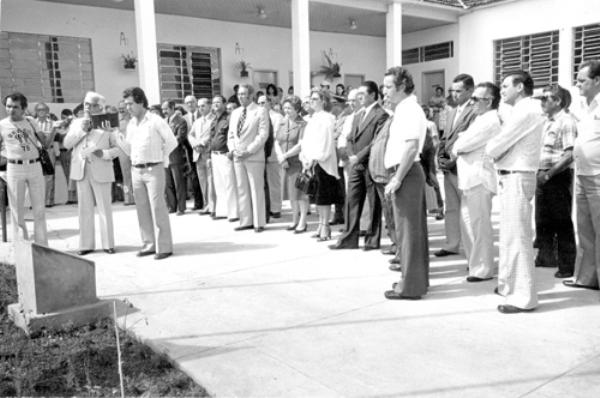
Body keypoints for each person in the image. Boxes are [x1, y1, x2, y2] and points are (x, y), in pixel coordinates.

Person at [486, 71, 545, 313]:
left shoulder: (527, 110)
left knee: (518, 238)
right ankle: (508, 286)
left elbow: (496, 145)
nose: (502, 90)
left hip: (517, 175)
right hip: (511, 175)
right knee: (509, 236)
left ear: (520, 87)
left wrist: (494, 149)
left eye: (506, 85)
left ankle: (524, 297)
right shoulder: (520, 110)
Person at [382, 67, 429, 300]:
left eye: (389, 87)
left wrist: (397, 178)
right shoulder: (404, 108)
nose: (385, 91)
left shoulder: (409, 109)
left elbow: (411, 147)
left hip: (407, 172)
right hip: (406, 172)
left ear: (402, 87)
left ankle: (410, 287)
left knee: (408, 232)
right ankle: (416, 281)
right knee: (412, 232)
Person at [118, 87, 177, 260]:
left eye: (130, 104)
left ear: (141, 102)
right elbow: (129, 149)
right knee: (142, 209)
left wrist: (162, 157)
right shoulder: (130, 124)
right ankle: (149, 244)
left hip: (154, 169)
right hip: (136, 170)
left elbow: (171, 141)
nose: (127, 108)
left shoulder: (155, 120)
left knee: (158, 208)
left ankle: (164, 246)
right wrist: (117, 138)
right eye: (126, 104)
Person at [451, 82, 501, 282]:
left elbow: (462, 144)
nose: (471, 102)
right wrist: (459, 145)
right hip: (470, 179)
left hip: (479, 178)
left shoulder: (490, 120)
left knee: (479, 226)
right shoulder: (480, 119)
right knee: (469, 224)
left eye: (476, 99)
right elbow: (460, 144)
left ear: (488, 101)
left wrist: (459, 146)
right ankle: (475, 263)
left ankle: (483, 268)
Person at [330, 81, 387, 250]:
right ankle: (349, 238)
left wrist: (358, 157)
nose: (358, 97)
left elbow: (376, 141)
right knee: (352, 200)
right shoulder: (357, 115)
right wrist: (350, 155)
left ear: (372, 95)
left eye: (362, 94)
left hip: (371, 163)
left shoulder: (381, 114)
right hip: (355, 164)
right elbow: (348, 137)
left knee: (373, 202)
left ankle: (372, 239)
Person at [64, 91, 120, 256]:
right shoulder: (77, 123)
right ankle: (86, 245)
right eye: (87, 104)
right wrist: (81, 130)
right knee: (84, 209)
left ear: (100, 106)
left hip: (101, 168)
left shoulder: (109, 122)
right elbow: (67, 143)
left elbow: (118, 147)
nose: (89, 107)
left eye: (93, 104)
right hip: (81, 170)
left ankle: (108, 243)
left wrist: (105, 154)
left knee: (104, 208)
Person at [564, 59, 600, 291]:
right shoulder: (585, 106)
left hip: (598, 175)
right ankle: (587, 278)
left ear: (597, 80)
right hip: (582, 174)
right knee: (585, 229)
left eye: (582, 81)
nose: (577, 85)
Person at [534, 85, 577, 279]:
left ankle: (567, 265)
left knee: (561, 221)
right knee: (543, 219)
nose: (542, 103)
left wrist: (549, 174)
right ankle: (546, 257)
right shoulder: (546, 122)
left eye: (545, 99)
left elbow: (569, 155)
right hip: (543, 174)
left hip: (557, 176)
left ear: (557, 101)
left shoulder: (566, 121)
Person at [436, 74, 478, 257]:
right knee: (451, 207)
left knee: (467, 211)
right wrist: (440, 157)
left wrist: (453, 159)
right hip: (448, 167)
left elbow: (471, 139)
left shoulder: (475, 111)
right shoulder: (452, 111)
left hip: (464, 164)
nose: (454, 94)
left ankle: (472, 253)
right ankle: (452, 243)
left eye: (458, 91)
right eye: (452, 90)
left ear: (470, 91)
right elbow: (445, 137)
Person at [0, 92, 48, 245]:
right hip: (14, 168)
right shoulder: (2, 125)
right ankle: (22, 245)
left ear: (24, 108)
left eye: (15, 107)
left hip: (35, 166)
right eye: (8, 106)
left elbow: (45, 143)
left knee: (39, 208)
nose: (11, 110)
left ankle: (42, 245)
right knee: (16, 210)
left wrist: (39, 128)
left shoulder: (31, 122)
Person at [227, 84, 269, 233]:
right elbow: (231, 134)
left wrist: (249, 151)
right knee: (242, 189)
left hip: (254, 156)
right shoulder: (235, 112)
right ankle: (246, 220)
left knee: (256, 189)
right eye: (239, 94)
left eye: (244, 94)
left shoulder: (260, 111)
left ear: (251, 95)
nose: (240, 97)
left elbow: (263, 134)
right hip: (238, 156)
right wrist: (233, 149)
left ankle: (259, 222)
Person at [300, 89, 340, 241]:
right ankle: (320, 224)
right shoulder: (312, 118)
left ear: (323, 101)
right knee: (316, 197)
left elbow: (325, 142)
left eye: (316, 98)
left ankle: (325, 226)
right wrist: (305, 157)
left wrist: (315, 158)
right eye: (311, 98)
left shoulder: (327, 118)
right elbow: (307, 141)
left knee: (324, 197)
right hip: (311, 162)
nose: (312, 101)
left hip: (323, 162)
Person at [275, 96, 308, 232]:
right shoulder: (282, 122)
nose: (287, 111)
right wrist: (280, 157)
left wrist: (286, 155)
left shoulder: (302, 123)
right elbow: (277, 141)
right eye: (285, 108)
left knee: (299, 194)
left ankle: (303, 221)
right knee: (290, 195)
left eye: (290, 108)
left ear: (297, 108)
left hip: (297, 162)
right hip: (284, 163)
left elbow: (301, 144)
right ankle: (294, 219)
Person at [209, 95, 239, 221]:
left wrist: (231, 151)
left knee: (230, 184)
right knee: (219, 184)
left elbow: (233, 135)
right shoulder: (214, 119)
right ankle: (222, 211)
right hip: (215, 155)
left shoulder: (229, 118)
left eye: (218, 102)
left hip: (225, 154)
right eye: (214, 102)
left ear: (224, 103)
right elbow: (211, 138)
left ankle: (233, 213)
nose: (215, 104)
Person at [161, 100, 189, 215]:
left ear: (172, 107)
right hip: (164, 156)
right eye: (162, 110)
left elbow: (180, 137)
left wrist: (165, 145)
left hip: (175, 155)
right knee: (168, 183)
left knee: (178, 183)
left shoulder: (181, 121)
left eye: (166, 109)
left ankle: (181, 208)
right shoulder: (163, 122)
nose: (164, 112)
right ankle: (171, 206)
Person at [188, 98, 215, 215]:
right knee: (203, 181)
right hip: (198, 154)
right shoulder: (197, 121)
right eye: (199, 106)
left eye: (203, 106)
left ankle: (213, 205)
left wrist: (201, 143)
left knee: (211, 181)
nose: (200, 108)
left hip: (208, 153)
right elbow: (190, 134)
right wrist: (194, 144)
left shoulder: (214, 119)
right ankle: (206, 204)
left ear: (209, 106)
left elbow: (212, 135)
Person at [421, 105, 444, 219]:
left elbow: (435, 141)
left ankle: (439, 207)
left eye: (425, 111)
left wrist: (435, 156)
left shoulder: (430, 124)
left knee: (432, 179)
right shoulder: (417, 123)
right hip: (420, 155)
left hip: (429, 155)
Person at [34, 102, 58, 208]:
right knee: (36, 176)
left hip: (49, 150)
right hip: (36, 151)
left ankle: (48, 201)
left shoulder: (53, 123)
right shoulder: (32, 123)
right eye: (39, 110)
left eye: (43, 109)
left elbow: (53, 137)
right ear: (36, 112)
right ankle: (36, 201)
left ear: (47, 111)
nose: (41, 111)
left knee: (49, 176)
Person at [182, 95, 203, 211]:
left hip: (203, 149)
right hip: (190, 151)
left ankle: (208, 201)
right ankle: (198, 202)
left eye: (192, 102)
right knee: (194, 176)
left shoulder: (203, 115)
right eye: (187, 103)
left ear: (196, 103)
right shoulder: (184, 118)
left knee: (205, 176)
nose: (190, 105)